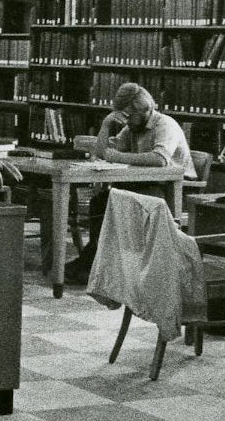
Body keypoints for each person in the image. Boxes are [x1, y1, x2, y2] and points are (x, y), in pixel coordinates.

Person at [63, 82, 192, 283]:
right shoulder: (133, 126)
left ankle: (98, 263)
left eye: (129, 116)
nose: (126, 121)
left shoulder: (165, 124)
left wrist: (118, 157)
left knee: (115, 200)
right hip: (140, 184)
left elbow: (159, 159)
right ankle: (97, 260)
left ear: (144, 110)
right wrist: (106, 124)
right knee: (102, 201)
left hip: (166, 189)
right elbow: (101, 152)